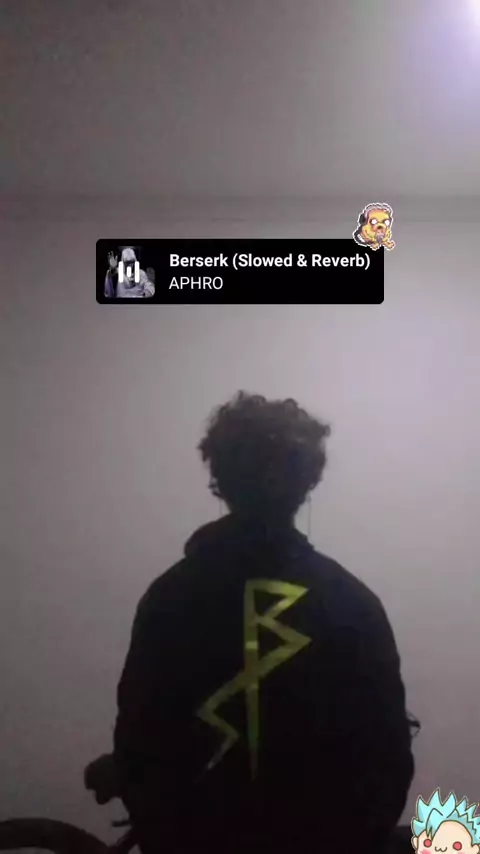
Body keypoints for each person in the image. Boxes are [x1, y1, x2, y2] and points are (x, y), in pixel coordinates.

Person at [111, 393, 415, 854]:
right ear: (307, 482)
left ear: (220, 477)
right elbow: (387, 763)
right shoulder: (353, 604)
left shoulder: (169, 598)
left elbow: (139, 748)